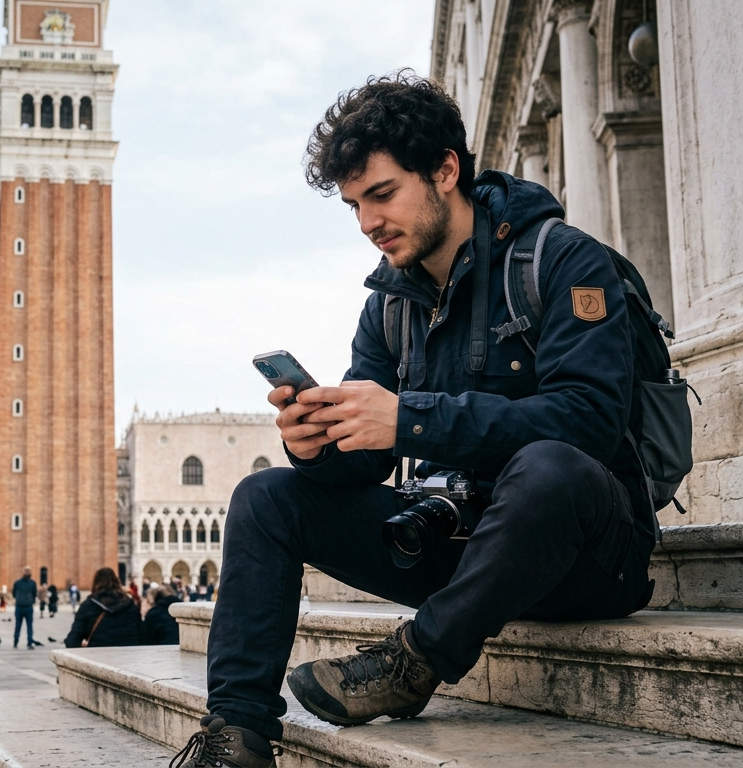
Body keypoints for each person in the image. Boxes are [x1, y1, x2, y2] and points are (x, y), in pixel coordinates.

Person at [171, 73, 655, 768]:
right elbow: (366, 460)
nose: (368, 222)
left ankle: (413, 662)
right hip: (458, 541)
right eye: (353, 205)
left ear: (446, 170)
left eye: (382, 194)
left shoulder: (564, 260)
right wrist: (316, 443)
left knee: (548, 465)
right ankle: (236, 738)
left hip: (589, 554)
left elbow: (590, 423)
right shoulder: (389, 306)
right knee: (265, 497)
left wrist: (411, 420)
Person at [64, 567, 142, 648]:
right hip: (128, 656)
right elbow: (142, 635)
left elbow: (72, 641)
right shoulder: (129, 605)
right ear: (117, 582)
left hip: (99, 655)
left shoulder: (88, 606)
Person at [12, 566, 36, 649]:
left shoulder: (32, 583)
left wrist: (30, 601)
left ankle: (29, 642)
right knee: (18, 625)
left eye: (28, 571)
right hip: (19, 607)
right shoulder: (17, 583)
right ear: (23, 572)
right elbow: (14, 593)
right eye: (26, 571)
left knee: (29, 626)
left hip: (28, 607)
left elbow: (34, 594)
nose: (27, 572)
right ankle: (15, 641)